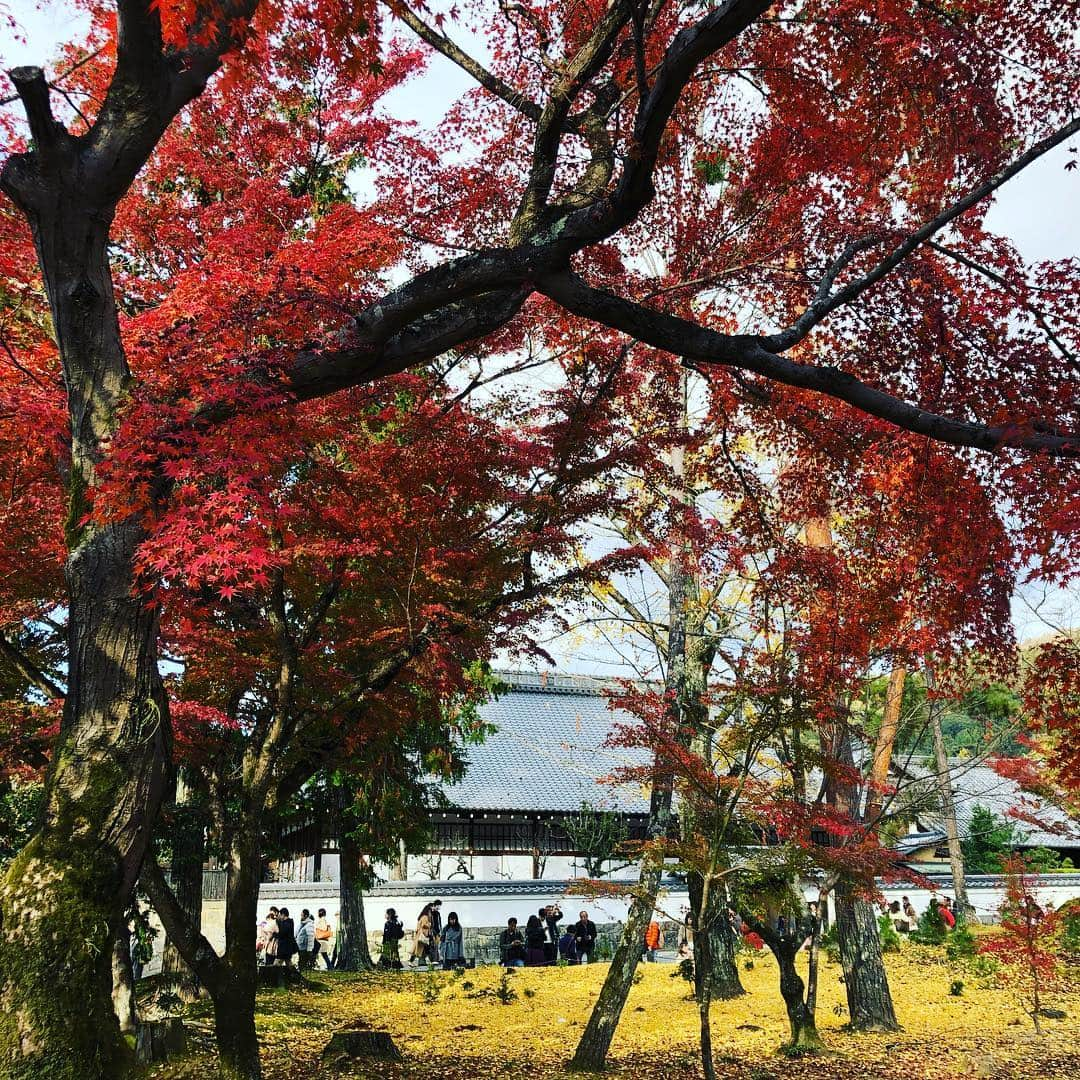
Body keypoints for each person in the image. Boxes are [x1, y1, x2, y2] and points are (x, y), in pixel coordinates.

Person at [429, 899, 444, 964]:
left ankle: (436, 959)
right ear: (436, 905)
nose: (439, 907)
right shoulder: (430, 913)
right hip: (432, 931)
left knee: (437, 946)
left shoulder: (438, 913)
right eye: (439, 906)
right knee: (433, 946)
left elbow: (439, 923)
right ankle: (434, 960)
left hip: (437, 931)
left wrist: (441, 930)